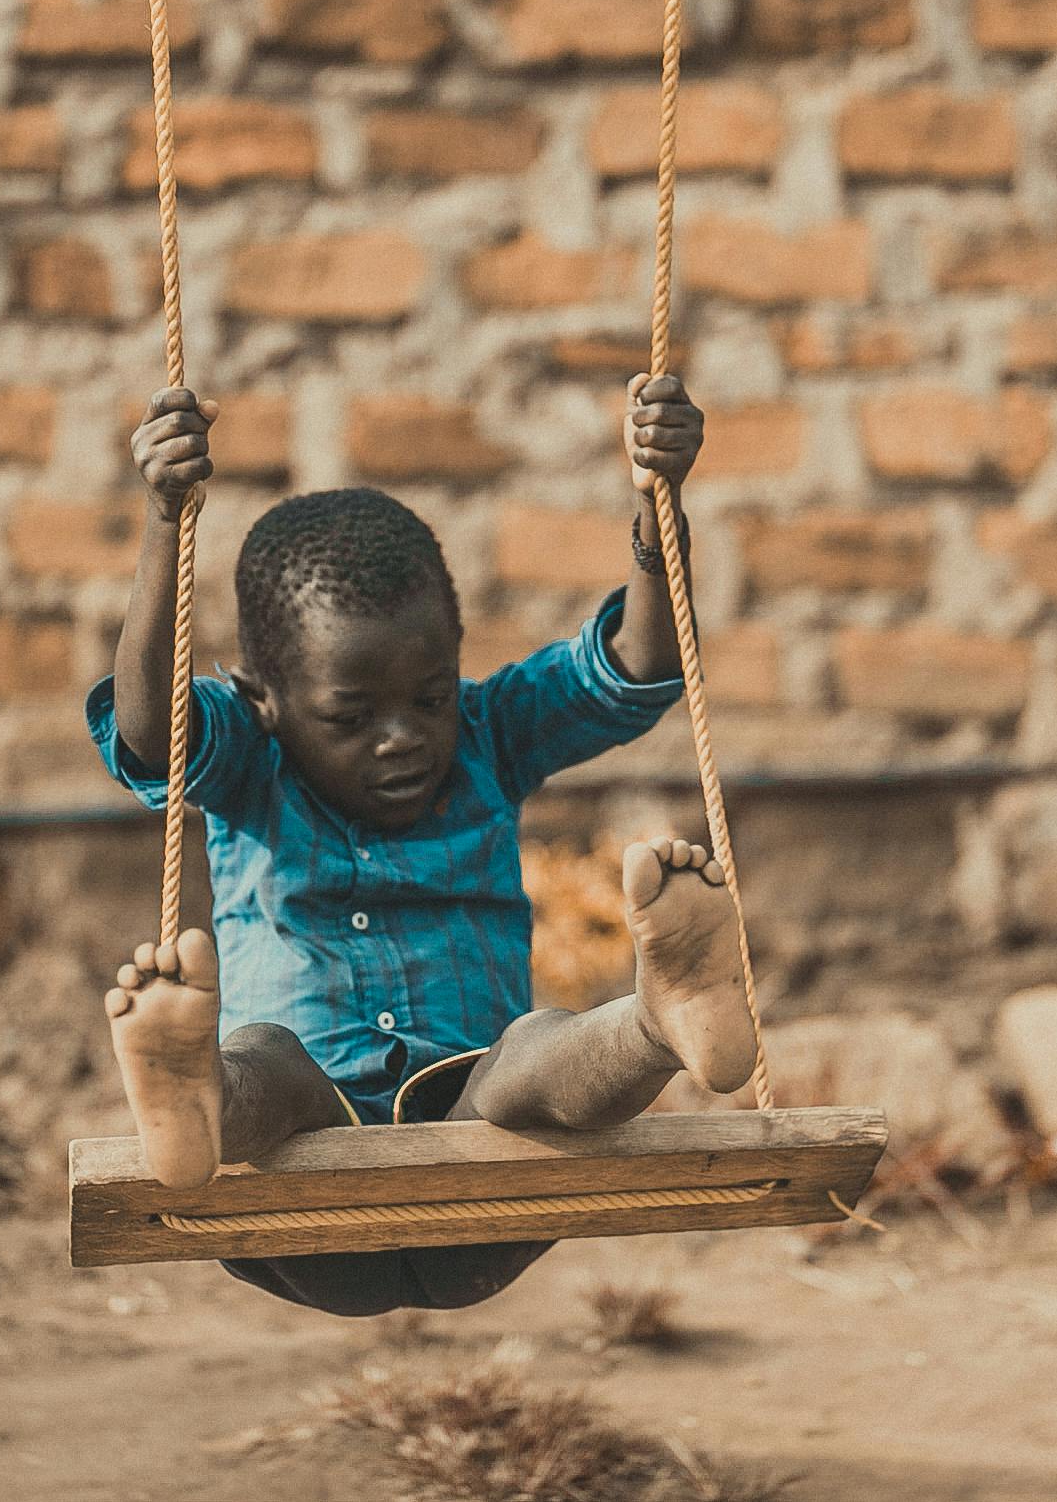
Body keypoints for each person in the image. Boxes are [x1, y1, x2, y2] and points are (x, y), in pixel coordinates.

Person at [85, 374, 757, 1315]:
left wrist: (659, 505)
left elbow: (639, 665)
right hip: (301, 1191)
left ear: (457, 663)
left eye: (429, 699)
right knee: (269, 1058)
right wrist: (164, 520)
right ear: (263, 700)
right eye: (352, 716)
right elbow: (150, 733)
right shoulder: (250, 765)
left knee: (531, 1048)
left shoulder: (493, 734)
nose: (402, 736)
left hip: (489, 1165)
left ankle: (662, 1022)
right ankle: (200, 1099)